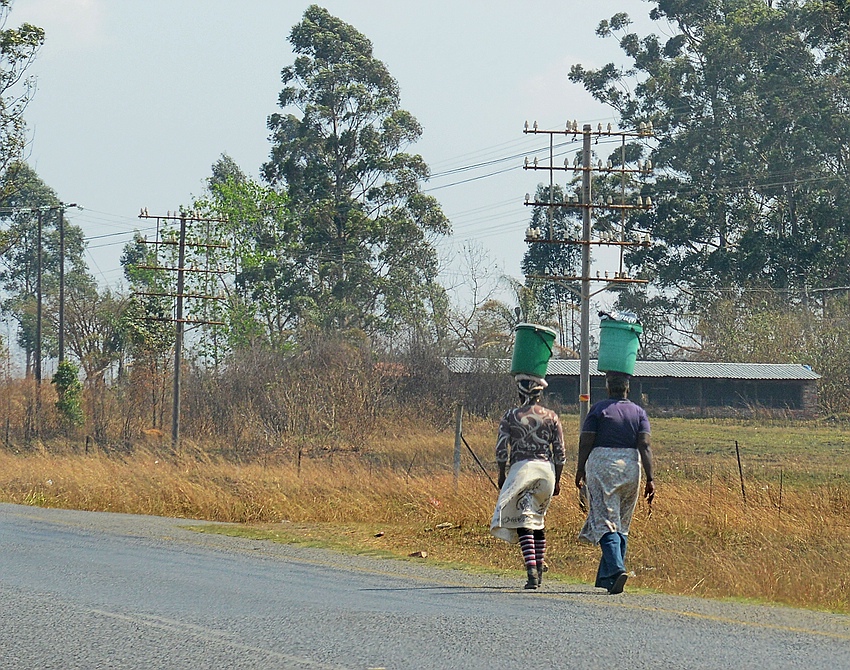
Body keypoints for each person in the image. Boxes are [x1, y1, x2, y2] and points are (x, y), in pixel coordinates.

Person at [575, 371, 655, 594]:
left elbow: (586, 440)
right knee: (621, 523)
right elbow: (645, 446)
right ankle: (607, 579)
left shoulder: (599, 409)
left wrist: (580, 469)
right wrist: (650, 478)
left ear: (608, 388)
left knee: (604, 521)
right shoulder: (639, 412)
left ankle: (618, 568)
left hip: (602, 466)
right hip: (631, 466)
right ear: (627, 390)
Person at [490, 376, 565, 590]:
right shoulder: (552, 417)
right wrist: (558, 480)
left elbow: (502, 449)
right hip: (546, 472)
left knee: (524, 522)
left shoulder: (511, 416)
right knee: (537, 520)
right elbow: (560, 453)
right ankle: (539, 569)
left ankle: (531, 570)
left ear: (520, 393)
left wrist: (502, 474)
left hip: (522, 470)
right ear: (540, 394)